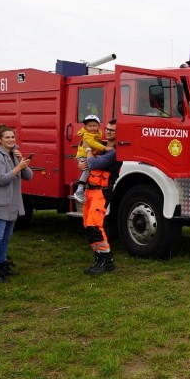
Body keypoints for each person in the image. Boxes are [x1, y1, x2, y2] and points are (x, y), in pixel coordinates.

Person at [0, 124, 33, 282]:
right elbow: (0, 180)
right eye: (7, 137)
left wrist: (21, 161)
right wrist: (17, 168)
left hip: (12, 204)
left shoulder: (13, 154)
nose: (11, 140)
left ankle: (2, 265)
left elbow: (29, 176)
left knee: (6, 238)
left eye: (13, 137)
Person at [82, 119, 121, 275]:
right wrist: (84, 164)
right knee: (88, 226)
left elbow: (95, 164)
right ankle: (100, 258)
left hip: (101, 192)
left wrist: (87, 151)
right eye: (107, 129)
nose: (109, 131)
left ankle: (105, 259)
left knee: (96, 226)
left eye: (113, 130)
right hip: (91, 190)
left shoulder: (115, 152)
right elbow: (90, 164)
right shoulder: (103, 147)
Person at [73, 114, 106, 204]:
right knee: (87, 169)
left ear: (99, 126)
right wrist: (104, 148)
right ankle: (79, 190)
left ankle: (84, 189)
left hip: (88, 155)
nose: (92, 128)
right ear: (86, 127)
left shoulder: (97, 134)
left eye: (94, 126)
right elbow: (92, 143)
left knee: (89, 170)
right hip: (83, 155)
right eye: (89, 126)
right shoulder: (87, 135)